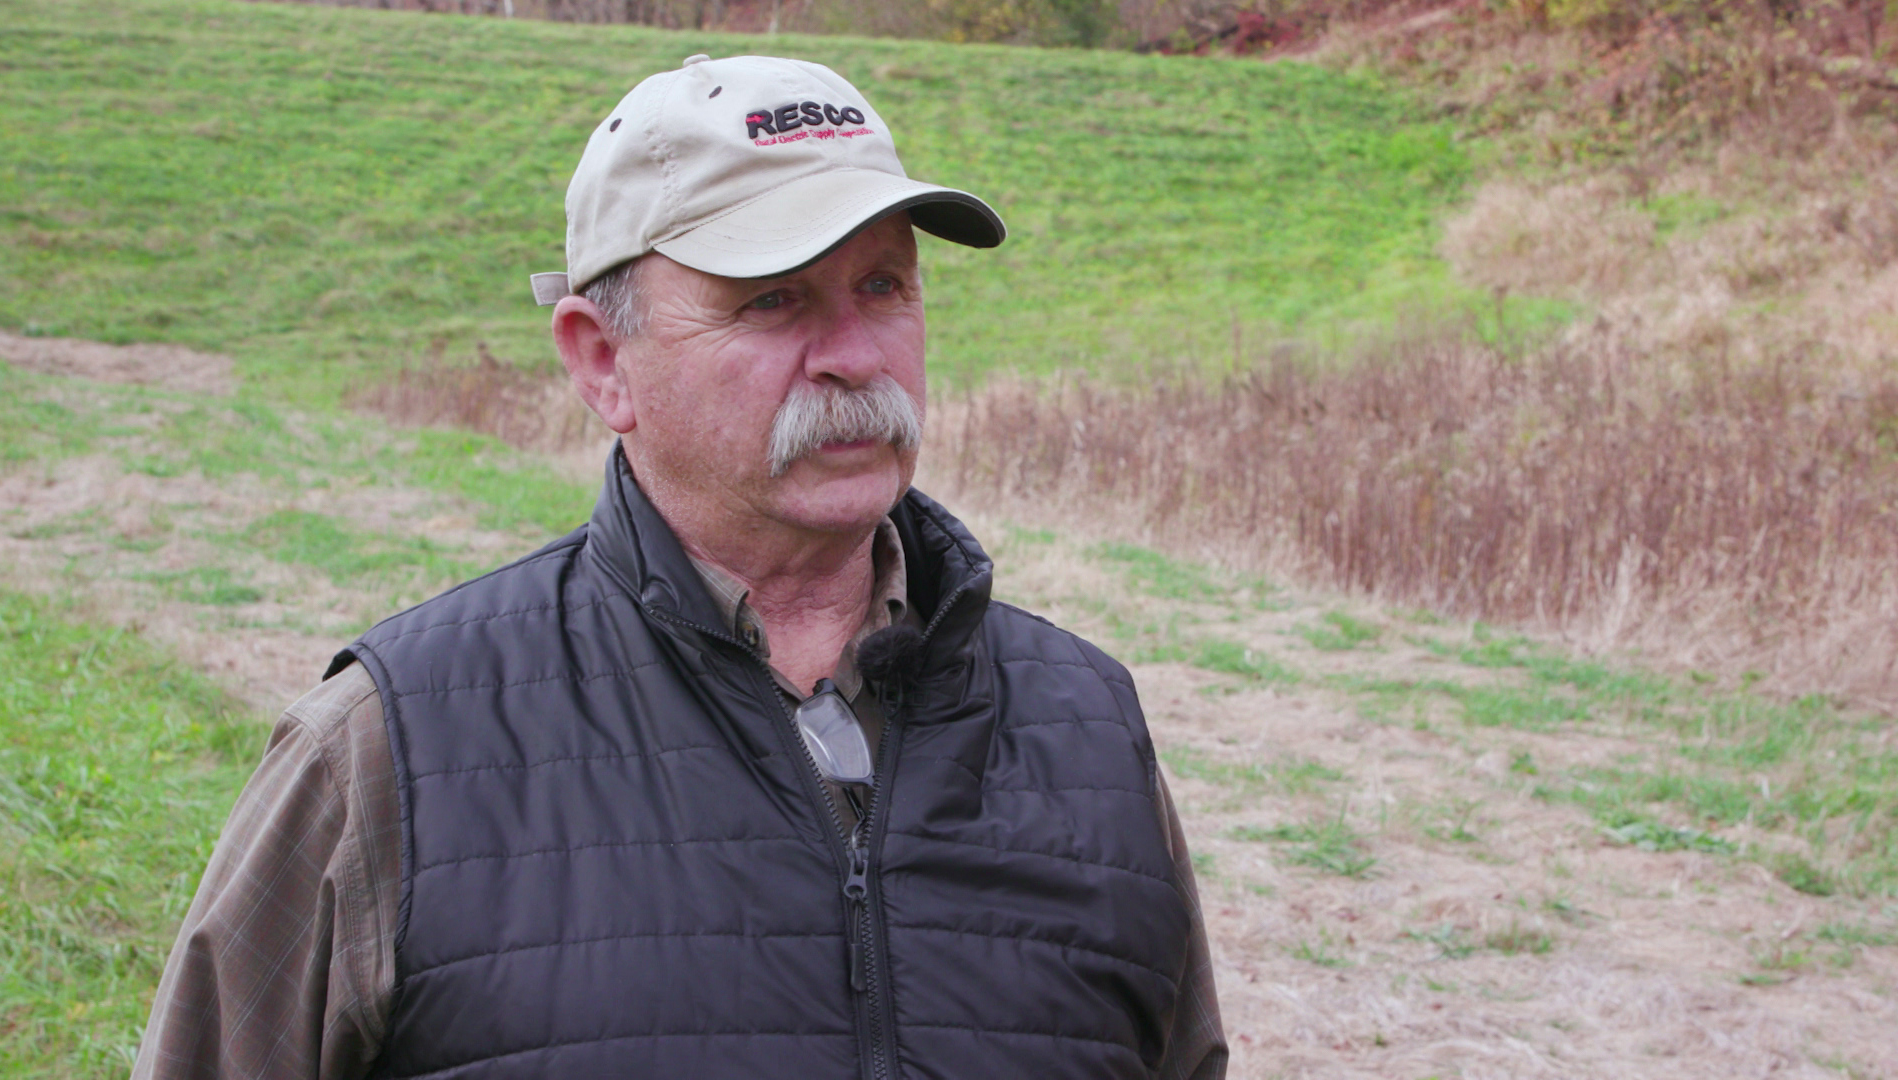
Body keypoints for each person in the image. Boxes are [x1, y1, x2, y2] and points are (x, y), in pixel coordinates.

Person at [133, 53, 1227, 1080]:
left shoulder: (1087, 725)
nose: (854, 353)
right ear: (602, 362)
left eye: (886, 286)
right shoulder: (386, 751)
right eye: (774, 299)